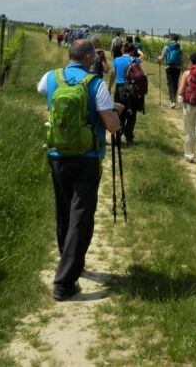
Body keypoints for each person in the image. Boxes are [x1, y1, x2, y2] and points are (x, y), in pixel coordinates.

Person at [37, 39, 122, 301]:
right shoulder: (95, 84)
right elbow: (111, 126)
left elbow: (40, 90)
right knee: (81, 216)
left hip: (57, 155)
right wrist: (116, 112)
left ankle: (68, 260)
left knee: (64, 210)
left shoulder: (51, 77)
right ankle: (64, 282)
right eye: (94, 55)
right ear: (87, 58)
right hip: (87, 157)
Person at [109, 42, 142, 144]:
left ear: (121, 50)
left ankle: (119, 133)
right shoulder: (135, 60)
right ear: (131, 49)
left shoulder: (116, 60)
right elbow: (138, 74)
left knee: (119, 112)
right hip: (132, 89)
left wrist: (109, 87)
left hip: (120, 89)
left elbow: (113, 74)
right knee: (132, 114)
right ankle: (129, 135)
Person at [157, 33, 183, 108]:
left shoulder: (166, 47)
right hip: (178, 68)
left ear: (171, 38)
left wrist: (158, 58)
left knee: (170, 83)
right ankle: (173, 100)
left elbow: (161, 58)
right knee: (175, 83)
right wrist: (182, 68)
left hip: (169, 67)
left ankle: (173, 101)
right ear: (177, 39)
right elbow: (181, 59)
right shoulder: (180, 47)